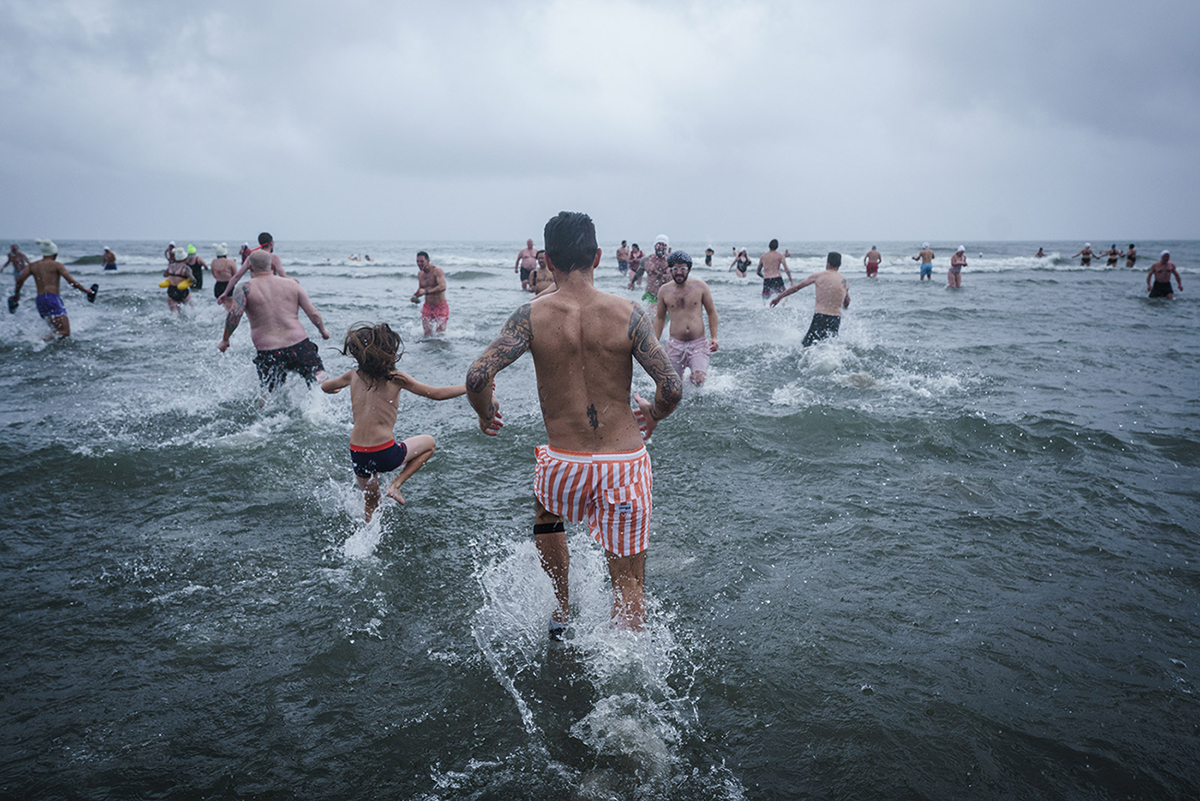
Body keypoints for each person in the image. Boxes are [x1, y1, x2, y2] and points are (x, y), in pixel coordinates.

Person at [465, 211, 682, 635]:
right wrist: (654, 414)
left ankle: (561, 611)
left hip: (564, 461)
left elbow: (477, 376)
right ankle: (629, 664)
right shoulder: (630, 313)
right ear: (598, 257)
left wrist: (485, 412)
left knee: (548, 514)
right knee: (629, 581)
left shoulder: (530, 317)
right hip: (623, 462)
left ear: (546, 261)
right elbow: (672, 387)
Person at [321, 323, 466, 521]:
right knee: (429, 443)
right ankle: (396, 485)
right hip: (385, 452)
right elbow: (437, 394)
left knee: (371, 503)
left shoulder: (352, 376)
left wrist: (335, 389)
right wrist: (469, 387)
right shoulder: (396, 378)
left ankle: (365, 545)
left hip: (357, 452)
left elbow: (325, 387)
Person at [218, 250, 331, 392]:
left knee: (268, 394)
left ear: (251, 268)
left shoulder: (243, 288)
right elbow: (313, 313)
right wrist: (323, 331)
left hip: (269, 352)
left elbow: (235, 315)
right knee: (320, 378)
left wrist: (225, 339)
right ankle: (322, 404)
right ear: (272, 266)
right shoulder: (292, 284)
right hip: (299, 346)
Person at [653, 250, 718, 387]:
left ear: (688, 269)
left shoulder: (700, 287)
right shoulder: (664, 291)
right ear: (670, 269)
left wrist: (714, 338)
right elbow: (660, 318)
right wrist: (654, 342)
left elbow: (711, 312)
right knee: (673, 385)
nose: (679, 272)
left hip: (698, 343)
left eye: (683, 268)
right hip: (675, 344)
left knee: (699, 380)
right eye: (675, 268)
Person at [11, 239, 97, 338]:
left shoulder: (32, 266)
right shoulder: (57, 265)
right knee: (65, 332)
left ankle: (45, 348)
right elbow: (71, 282)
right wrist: (86, 291)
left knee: (56, 331)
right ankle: (38, 340)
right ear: (55, 253)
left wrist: (17, 295)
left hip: (40, 300)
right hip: (52, 298)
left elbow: (19, 280)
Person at [769, 251, 850, 347]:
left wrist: (779, 297)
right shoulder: (844, 280)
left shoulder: (819, 276)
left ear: (827, 262)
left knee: (807, 345)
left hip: (820, 317)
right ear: (840, 264)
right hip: (835, 319)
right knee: (830, 346)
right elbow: (846, 301)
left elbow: (797, 287)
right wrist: (845, 305)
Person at [217, 232, 290, 305]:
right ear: (271, 243)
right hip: (270, 293)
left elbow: (237, 277)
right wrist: (293, 281)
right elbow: (283, 275)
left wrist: (225, 293)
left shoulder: (251, 258)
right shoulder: (274, 258)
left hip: (255, 292)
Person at [410, 250, 449, 336]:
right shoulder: (420, 274)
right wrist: (415, 296)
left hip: (440, 306)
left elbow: (443, 287)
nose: (419, 263)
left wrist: (427, 292)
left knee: (440, 334)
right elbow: (421, 289)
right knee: (427, 333)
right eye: (417, 261)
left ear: (428, 261)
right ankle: (426, 349)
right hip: (428, 306)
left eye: (421, 261)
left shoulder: (437, 271)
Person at [629, 234, 670, 305]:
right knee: (651, 313)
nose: (661, 247)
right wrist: (632, 282)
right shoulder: (646, 260)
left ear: (667, 247)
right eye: (658, 244)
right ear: (654, 245)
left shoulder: (671, 261)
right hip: (651, 294)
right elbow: (639, 272)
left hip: (667, 295)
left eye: (664, 244)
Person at [163, 247, 196, 311]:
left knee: (174, 314)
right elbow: (193, 279)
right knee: (192, 308)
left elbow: (165, 275)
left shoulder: (170, 266)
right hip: (182, 291)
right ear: (185, 259)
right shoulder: (186, 268)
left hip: (171, 291)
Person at [210, 243, 237, 309]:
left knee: (222, 306)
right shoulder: (230, 262)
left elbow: (214, 274)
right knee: (229, 306)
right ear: (226, 253)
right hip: (228, 285)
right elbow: (235, 276)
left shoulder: (213, 262)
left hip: (218, 286)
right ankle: (227, 319)